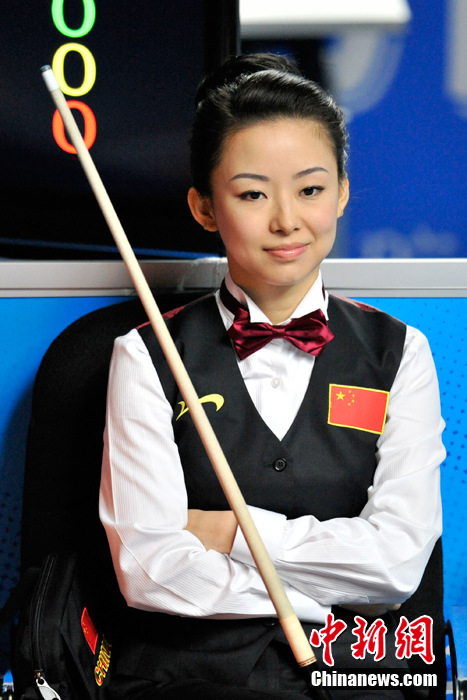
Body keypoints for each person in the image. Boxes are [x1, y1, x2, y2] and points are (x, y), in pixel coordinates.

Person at [99, 54, 445, 699]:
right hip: (189, 679)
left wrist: (226, 531)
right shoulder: (145, 355)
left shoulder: (401, 353)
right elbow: (150, 570)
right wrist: (324, 602)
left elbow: (398, 563)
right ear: (205, 207)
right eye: (253, 194)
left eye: (310, 190)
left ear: (343, 191)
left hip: (362, 680)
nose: (287, 220)